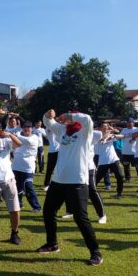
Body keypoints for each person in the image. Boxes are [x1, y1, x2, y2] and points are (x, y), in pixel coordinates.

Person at [38, 110, 103, 266]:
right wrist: (47, 115)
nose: (66, 120)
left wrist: (69, 115)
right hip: (58, 180)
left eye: (70, 118)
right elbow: (48, 122)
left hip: (77, 181)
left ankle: (96, 253)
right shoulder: (62, 130)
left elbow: (87, 118)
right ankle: (52, 244)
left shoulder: (85, 132)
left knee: (80, 218)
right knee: (48, 212)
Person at [12, 121, 42, 213]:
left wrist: (14, 135)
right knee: (17, 187)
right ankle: (19, 204)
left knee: (27, 186)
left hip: (27, 167)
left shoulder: (34, 137)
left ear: (32, 129)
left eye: (28, 127)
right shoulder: (18, 138)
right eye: (25, 127)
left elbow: (27, 141)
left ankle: (36, 206)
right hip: (16, 166)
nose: (26, 129)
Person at [95, 123, 127, 198]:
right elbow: (103, 139)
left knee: (120, 176)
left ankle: (119, 193)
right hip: (103, 162)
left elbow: (122, 136)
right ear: (100, 128)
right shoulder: (96, 136)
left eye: (106, 127)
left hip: (114, 160)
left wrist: (115, 134)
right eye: (103, 127)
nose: (105, 128)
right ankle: (89, 193)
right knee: (96, 179)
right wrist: (110, 132)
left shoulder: (110, 135)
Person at [121, 119, 138, 185]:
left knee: (137, 167)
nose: (129, 124)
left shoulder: (137, 129)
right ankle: (128, 178)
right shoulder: (124, 130)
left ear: (133, 123)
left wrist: (133, 138)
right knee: (126, 166)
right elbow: (121, 137)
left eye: (130, 122)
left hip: (135, 152)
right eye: (128, 122)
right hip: (125, 152)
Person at [43, 124, 60, 191]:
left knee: (59, 169)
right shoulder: (48, 128)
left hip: (61, 151)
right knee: (49, 169)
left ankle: (58, 184)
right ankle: (46, 184)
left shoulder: (60, 128)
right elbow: (48, 132)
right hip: (52, 151)